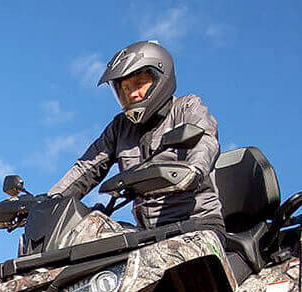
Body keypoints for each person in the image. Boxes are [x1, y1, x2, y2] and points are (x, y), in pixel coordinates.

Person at [48, 40, 224, 231]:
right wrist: (49, 203)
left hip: (196, 224)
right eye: (126, 88)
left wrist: (194, 170)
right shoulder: (120, 127)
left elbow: (205, 140)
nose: (132, 94)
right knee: (89, 237)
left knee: (161, 251)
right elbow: (87, 168)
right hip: (146, 234)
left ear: (160, 78)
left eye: (139, 84)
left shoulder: (186, 107)